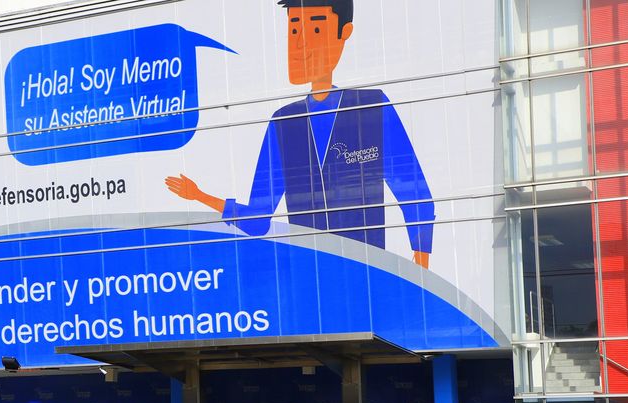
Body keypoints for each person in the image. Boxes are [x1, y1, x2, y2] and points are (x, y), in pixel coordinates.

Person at [165, 0, 434, 268]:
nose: (301, 44)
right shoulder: (283, 123)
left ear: (345, 32)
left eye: (315, 30)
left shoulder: (371, 108)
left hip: (366, 276)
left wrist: (421, 269)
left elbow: (416, 196)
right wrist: (200, 196)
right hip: (309, 279)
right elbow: (259, 220)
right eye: (294, 31)